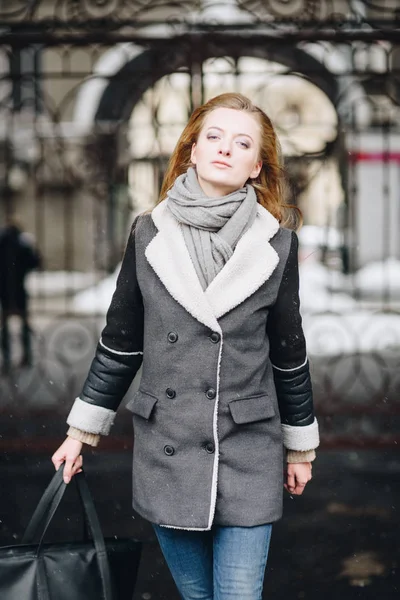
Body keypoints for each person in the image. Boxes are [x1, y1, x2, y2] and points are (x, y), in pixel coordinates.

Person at [52, 93, 319, 600]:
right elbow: (121, 343)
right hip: (169, 448)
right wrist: (80, 432)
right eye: (213, 137)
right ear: (192, 151)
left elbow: (288, 352)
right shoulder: (149, 233)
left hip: (247, 443)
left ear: (255, 167)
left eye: (242, 144)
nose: (225, 149)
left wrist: (300, 445)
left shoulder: (276, 245)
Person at [0, 215, 41, 373]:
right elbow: (35, 262)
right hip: (19, 290)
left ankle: (7, 358)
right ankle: (26, 356)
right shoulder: (21, 244)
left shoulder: (2, 243)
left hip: (4, 290)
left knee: (5, 326)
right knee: (22, 324)